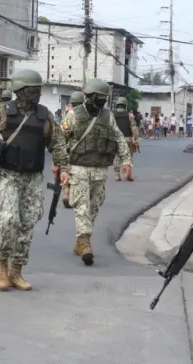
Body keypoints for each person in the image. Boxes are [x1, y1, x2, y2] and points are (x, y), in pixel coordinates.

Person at [0, 69, 69, 291]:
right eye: (31, 90)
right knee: (8, 219)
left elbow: (57, 143)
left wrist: (62, 166)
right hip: (7, 175)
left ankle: (16, 270)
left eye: (38, 90)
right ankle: (1, 266)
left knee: (27, 223)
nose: (36, 94)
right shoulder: (2, 112)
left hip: (33, 177)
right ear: (20, 90)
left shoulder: (44, 116)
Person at [61, 78, 132, 266]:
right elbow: (61, 140)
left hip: (100, 170)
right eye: (98, 96)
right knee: (82, 206)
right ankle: (85, 243)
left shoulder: (108, 116)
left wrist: (126, 160)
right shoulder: (73, 115)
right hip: (79, 168)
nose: (101, 100)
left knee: (94, 207)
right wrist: (61, 165)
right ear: (88, 96)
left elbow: (119, 138)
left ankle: (79, 241)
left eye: (104, 97)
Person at [112, 97, 140, 181]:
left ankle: (117, 175)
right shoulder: (129, 115)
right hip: (127, 139)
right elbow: (134, 128)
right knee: (128, 156)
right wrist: (136, 139)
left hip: (116, 139)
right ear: (125, 105)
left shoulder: (112, 114)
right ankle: (128, 174)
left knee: (117, 156)